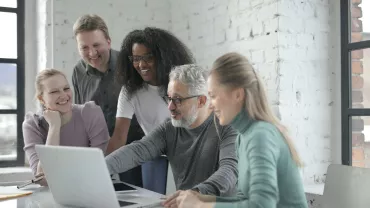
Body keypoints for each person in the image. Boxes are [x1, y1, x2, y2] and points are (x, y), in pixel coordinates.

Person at [174, 52, 308, 208]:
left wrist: (200, 206)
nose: (210, 105)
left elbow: (262, 205)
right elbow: (244, 200)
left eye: (213, 96)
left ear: (238, 94)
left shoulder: (261, 135)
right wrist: (202, 199)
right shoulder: (242, 136)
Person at [106, 64, 238, 199]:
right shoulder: (169, 129)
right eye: (169, 98)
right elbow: (137, 150)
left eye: (178, 100)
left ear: (201, 101)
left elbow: (229, 171)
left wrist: (196, 194)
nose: (170, 106)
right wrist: (99, 168)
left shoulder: (229, 127)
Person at [109, 27, 195, 194]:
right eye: (136, 58)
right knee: (154, 202)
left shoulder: (181, 84)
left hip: (186, 154)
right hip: (153, 156)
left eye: (148, 57)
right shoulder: (130, 91)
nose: (141, 64)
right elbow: (119, 136)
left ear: (163, 57)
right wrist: (100, 168)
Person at [71, 14, 144, 186]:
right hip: (96, 153)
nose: (92, 53)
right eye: (84, 47)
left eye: (96, 45)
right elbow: (81, 116)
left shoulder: (129, 66)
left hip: (134, 151)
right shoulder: (78, 72)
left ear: (109, 41)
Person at [23, 69, 109, 186]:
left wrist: (57, 174)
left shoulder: (90, 113)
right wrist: (54, 127)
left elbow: (98, 167)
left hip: (91, 187)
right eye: (54, 92)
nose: (64, 95)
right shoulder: (32, 124)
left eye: (66, 88)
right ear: (41, 99)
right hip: (51, 193)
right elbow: (42, 177)